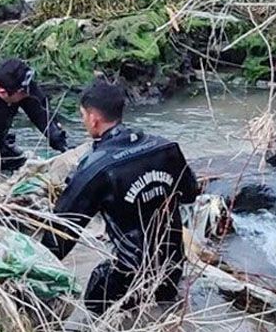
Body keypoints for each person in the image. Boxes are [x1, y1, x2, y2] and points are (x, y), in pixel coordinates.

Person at [41, 80, 199, 315]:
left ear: (93, 118)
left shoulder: (96, 168)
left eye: (83, 116)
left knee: (96, 294)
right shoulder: (166, 148)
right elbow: (190, 194)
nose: (85, 121)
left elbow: (61, 233)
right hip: (172, 268)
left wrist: (35, 270)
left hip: (129, 277)